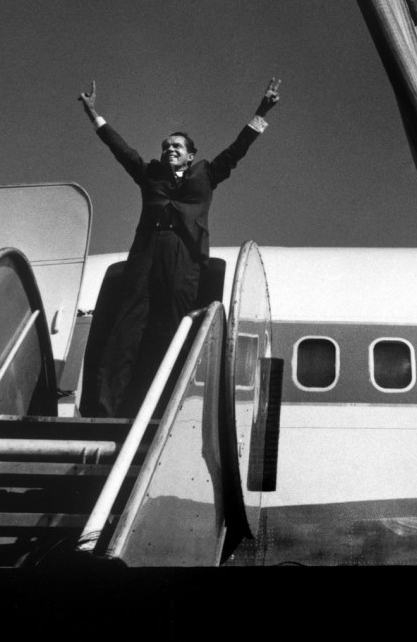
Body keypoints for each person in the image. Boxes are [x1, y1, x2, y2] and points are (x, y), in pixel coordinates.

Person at [76, 78, 280, 418]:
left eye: (177, 146)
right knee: (127, 328)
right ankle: (106, 406)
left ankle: (164, 406)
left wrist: (261, 112)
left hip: (184, 258)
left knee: (172, 328)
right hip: (146, 255)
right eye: (166, 145)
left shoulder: (207, 174)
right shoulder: (150, 174)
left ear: (191, 154)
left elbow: (237, 150)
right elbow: (121, 150)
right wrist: (94, 114)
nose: (170, 149)